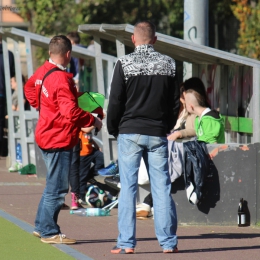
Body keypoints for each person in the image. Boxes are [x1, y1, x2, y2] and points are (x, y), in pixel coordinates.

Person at [107, 21, 180, 254]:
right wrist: (165, 126)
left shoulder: (124, 63)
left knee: (127, 188)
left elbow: (115, 100)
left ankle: (126, 243)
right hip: (157, 132)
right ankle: (168, 243)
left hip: (129, 131)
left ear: (133, 40)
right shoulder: (169, 64)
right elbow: (174, 103)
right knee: (161, 187)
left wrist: (113, 127)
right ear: (155, 40)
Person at [24, 35, 102, 244]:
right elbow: (71, 111)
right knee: (57, 188)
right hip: (58, 137)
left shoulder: (42, 71)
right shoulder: (62, 78)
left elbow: (29, 88)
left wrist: (43, 106)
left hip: (46, 133)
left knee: (52, 184)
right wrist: (93, 120)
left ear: (50, 52)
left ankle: (42, 227)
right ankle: (49, 231)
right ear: (68, 54)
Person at [136, 83, 197, 218]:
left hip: (181, 150)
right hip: (173, 148)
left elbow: (193, 130)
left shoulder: (191, 113)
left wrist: (178, 133)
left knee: (164, 171)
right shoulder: (181, 110)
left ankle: (149, 203)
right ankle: (149, 203)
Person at [184, 77, 225, 144]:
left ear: (190, 106)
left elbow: (212, 146)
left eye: (186, 104)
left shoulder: (209, 119)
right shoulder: (198, 118)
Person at [0, 36, 15, 156]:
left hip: (3, 93)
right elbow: (12, 74)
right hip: (3, 93)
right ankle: (3, 149)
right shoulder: (8, 54)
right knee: (2, 121)